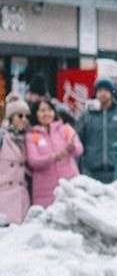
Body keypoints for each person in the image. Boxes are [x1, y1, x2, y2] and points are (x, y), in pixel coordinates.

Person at [25, 95, 83, 210]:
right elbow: (33, 161)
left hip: (69, 184)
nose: (46, 113)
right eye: (42, 110)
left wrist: (72, 148)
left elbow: (79, 150)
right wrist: (55, 156)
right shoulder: (32, 135)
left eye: (49, 110)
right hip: (44, 191)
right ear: (35, 114)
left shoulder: (65, 129)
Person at [77, 78, 117, 184]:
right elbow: (78, 140)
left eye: (106, 90)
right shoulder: (87, 115)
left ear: (112, 93)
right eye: (100, 90)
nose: (103, 93)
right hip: (91, 171)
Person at [0, 96, 32, 226]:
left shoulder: (28, 139)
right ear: (10, 117)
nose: (24, 119)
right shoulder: (2, 138)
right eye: (20, 115)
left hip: (23, 199)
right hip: (4, 198)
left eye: (26, 116)